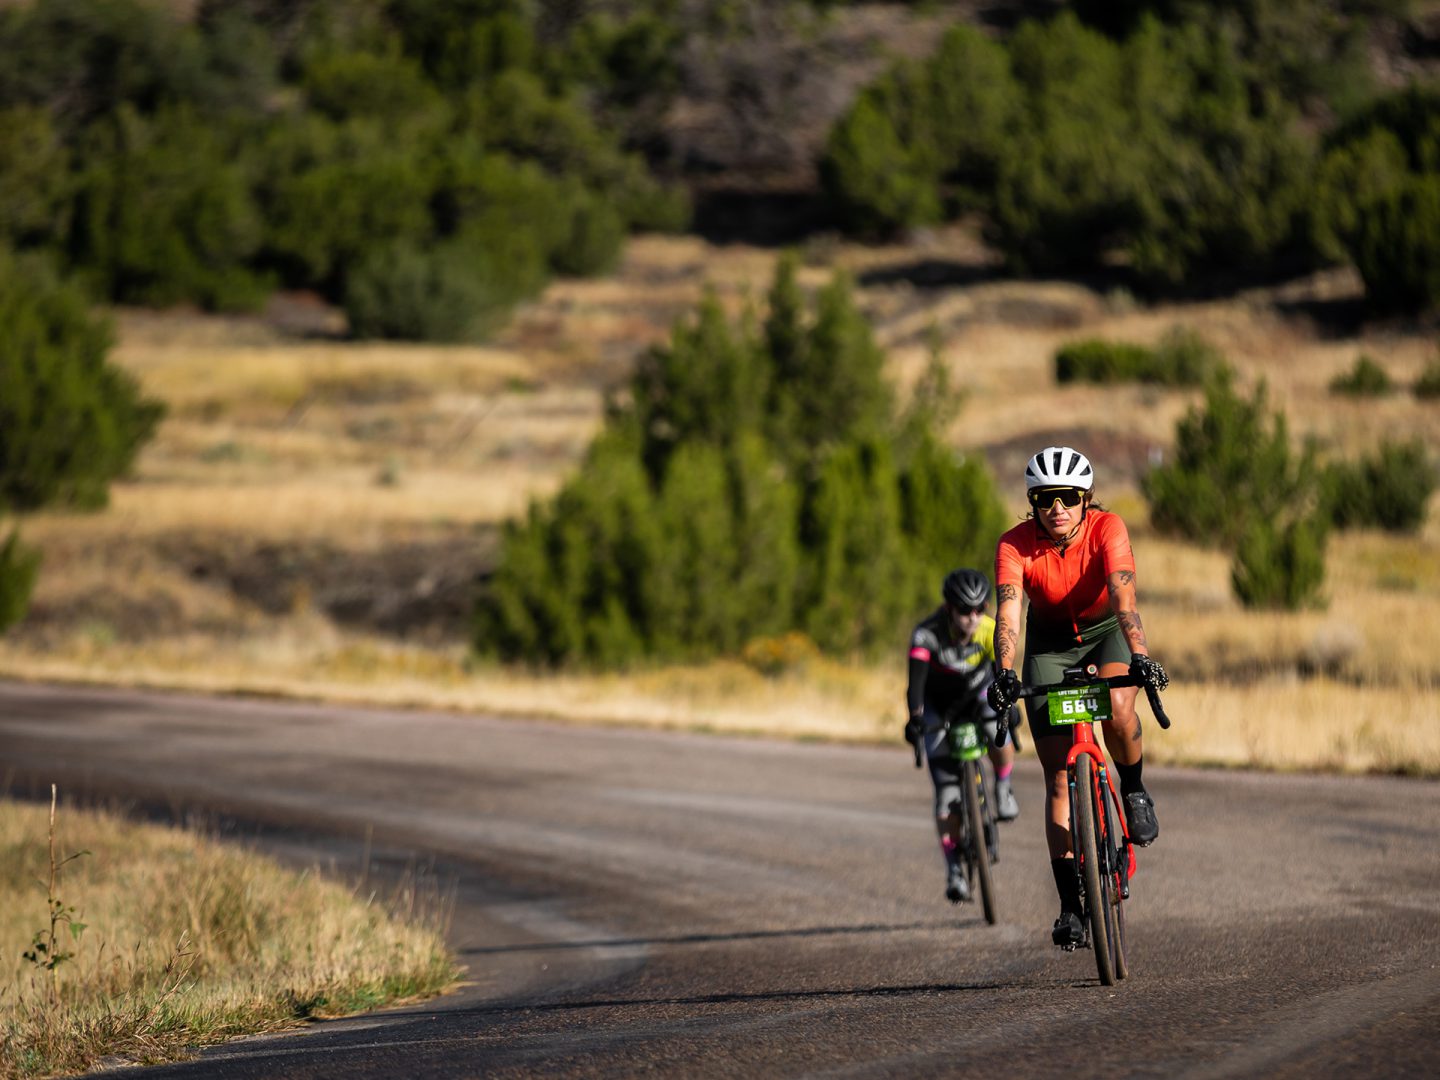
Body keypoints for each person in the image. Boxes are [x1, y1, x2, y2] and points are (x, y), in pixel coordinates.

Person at [986, 446, 1169, 947]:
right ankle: (1070, 906)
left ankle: (1132, 789)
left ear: (1085, 498)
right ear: (1033, 502)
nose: (1057, 508)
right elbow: (1008, 614)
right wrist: (1004, 671)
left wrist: (1140, 654)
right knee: (1059, 780)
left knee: (1120, 705)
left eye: (1068, 497)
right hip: (1049, 647)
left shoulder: (1108, 528)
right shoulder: (1014, 545)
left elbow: (1123, 595)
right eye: (1046, 499)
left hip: (1104, 632)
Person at [905, 568, 1020, 905]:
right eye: (964, 611)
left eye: (978, 609)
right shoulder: (927, 635)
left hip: (978, 694)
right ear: (948, 608)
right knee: (945, 793)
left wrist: (1008, 707)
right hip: (939, 705)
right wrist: (915, 721)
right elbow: (915, 686)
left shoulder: (988, 630)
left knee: (996, 726)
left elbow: (1003, 675)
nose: (972, 618)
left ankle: (1002, 785)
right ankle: (954, 866)